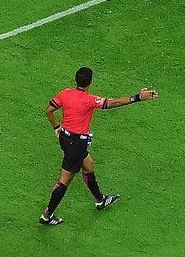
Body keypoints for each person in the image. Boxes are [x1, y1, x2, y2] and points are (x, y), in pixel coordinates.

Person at [40, 66, 158, 225]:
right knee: (64, 181)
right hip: (76, 144)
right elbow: (113, 103)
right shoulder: (89, 100)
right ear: (90, 82)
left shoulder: (66, 93)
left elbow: (49, 111)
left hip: (65, 138)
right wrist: (137, 97)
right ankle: (47, 215)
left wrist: (56, 127)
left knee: (88, 165)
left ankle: (100, 200)